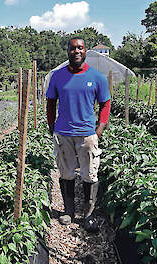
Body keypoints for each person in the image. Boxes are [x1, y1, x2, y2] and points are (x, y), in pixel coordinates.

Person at [46, 36, 111, 232]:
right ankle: (68, 211)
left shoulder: (97, 77)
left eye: (80, 48)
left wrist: (99, 129)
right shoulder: (57, 76)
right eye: (73, 48)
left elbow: (105, 103)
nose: (76, 51)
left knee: (89, 175)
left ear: (85, 51)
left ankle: (88, 215)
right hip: (64, 134)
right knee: (66, 173)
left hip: (87, 135)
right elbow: (50, 103)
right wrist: (52, 125)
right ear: (68, 51)